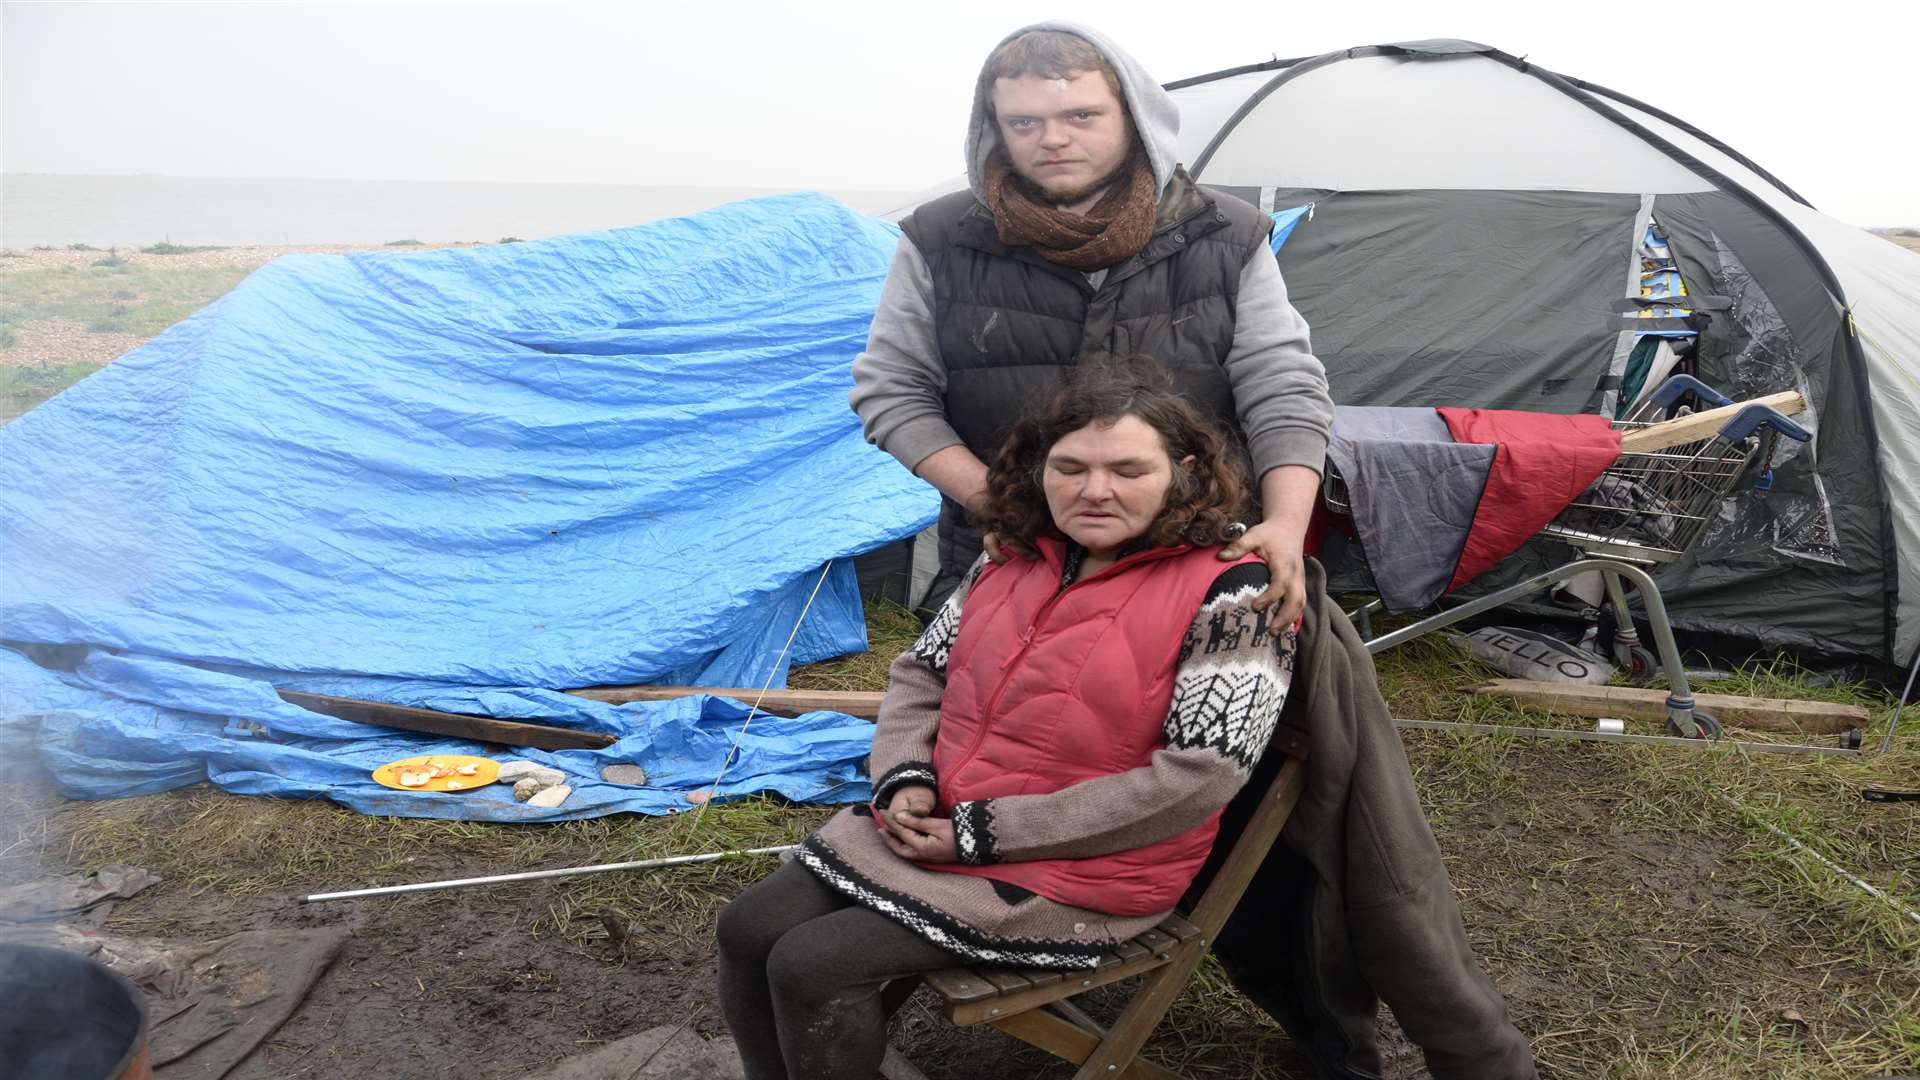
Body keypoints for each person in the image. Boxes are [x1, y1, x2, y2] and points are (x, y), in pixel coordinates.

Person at [718, 354, 1297, 1080]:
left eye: (1128, 469)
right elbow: (921, 675)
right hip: (944, 823)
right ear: (1037, 470)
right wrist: (904, 781)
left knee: (815, 964)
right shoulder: (1011, 560)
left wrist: (977, 834)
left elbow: (1196, 780)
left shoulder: (1237, 595)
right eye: (1069, 467)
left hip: (1083, 868)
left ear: (1183, 471)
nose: (1094, 490)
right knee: (748, 929)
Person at [850, 22, 1333, 627]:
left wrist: (1286, 525)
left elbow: (1283, 389)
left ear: (1132, 115)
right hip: (1009, 557)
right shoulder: (940, 239)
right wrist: (997, 504)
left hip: (1197, 554)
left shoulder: (1226, 236)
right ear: (992, 126)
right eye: (1023, 122)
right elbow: (892, 391)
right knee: (988, 716)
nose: (1052, 139)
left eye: (1081, 116)